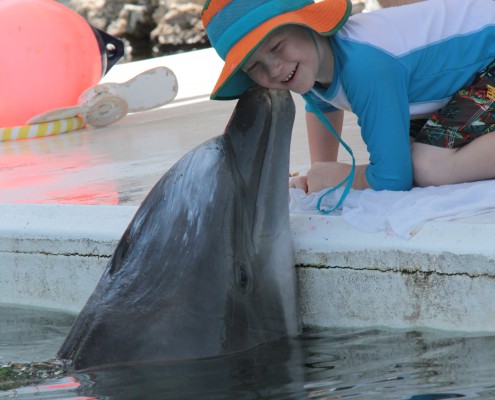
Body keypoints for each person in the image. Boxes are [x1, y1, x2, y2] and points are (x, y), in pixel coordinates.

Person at [201, 0, 495, 197]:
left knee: (427, 165)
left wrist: (341, 177)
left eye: (277, 46)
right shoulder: (316, 63)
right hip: (475, 75)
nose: (275, 69)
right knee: (407, 151)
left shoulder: (365, 64)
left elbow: (394, 180)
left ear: (307, 23)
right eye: (255, 67)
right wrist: (319, 172)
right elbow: (321, 106)